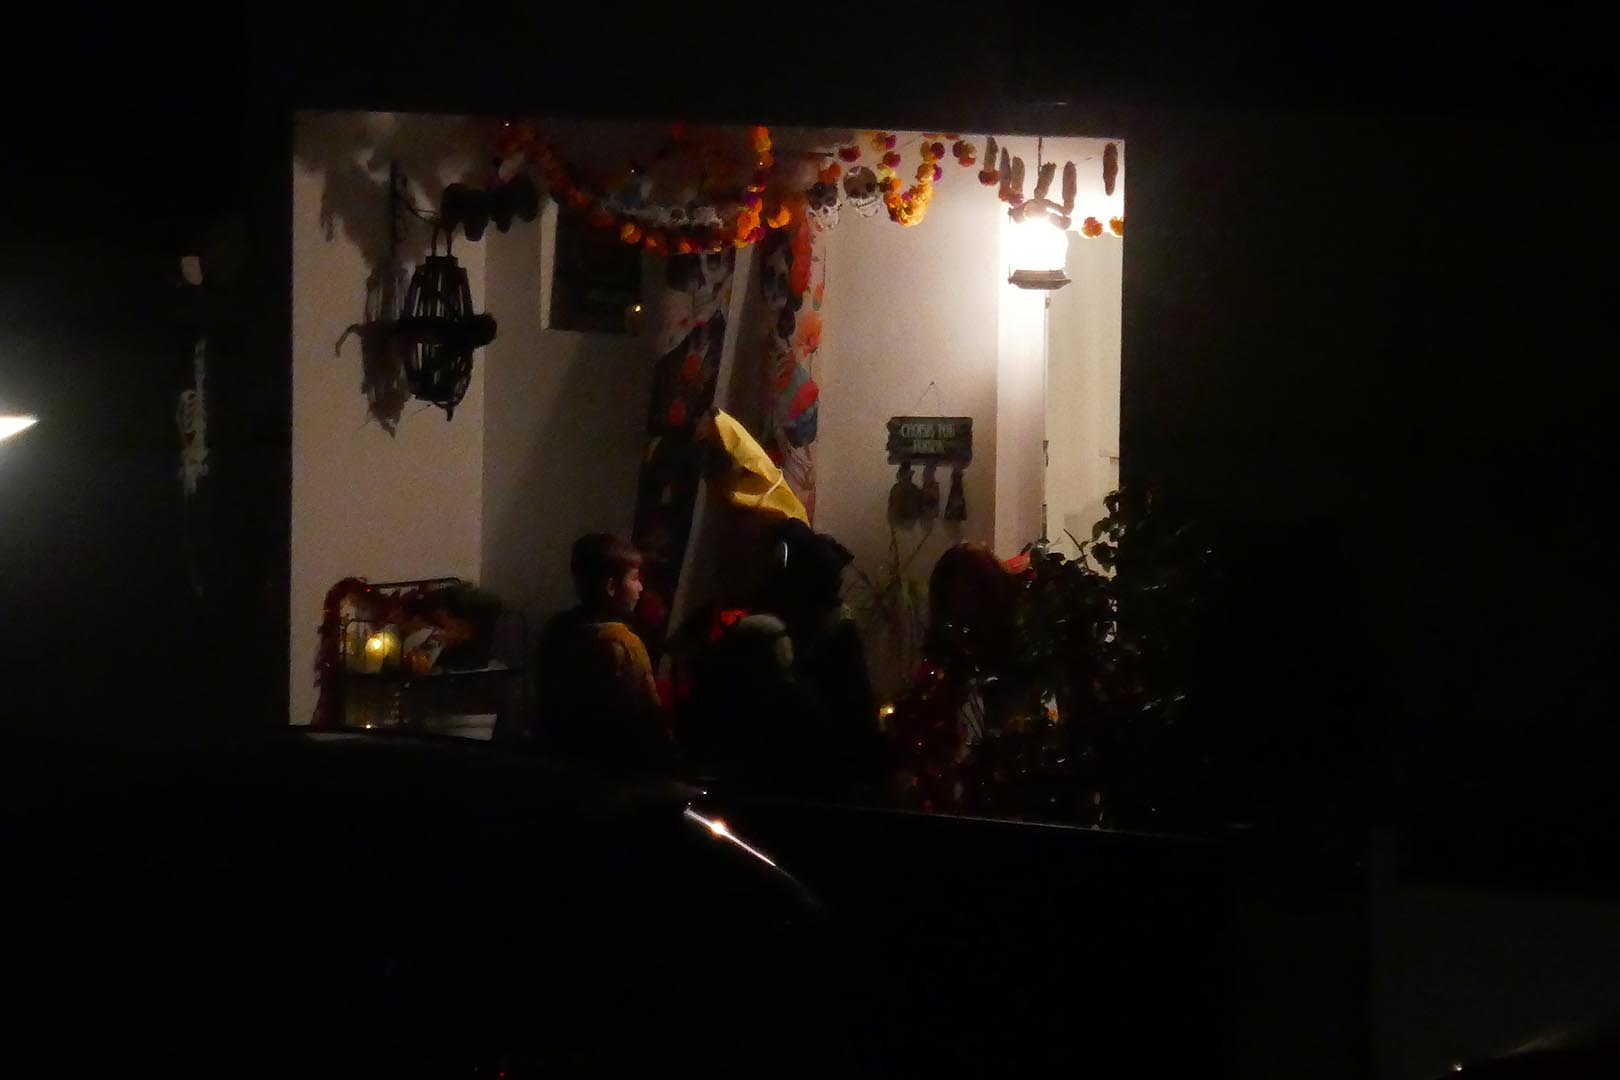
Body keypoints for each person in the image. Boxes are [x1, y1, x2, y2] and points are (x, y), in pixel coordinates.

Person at [534, 534, 669, 770]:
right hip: (612, 767)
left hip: (559, 759)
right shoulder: (622, 643)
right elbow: (648, 717)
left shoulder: (555, 630)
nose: (640, 588)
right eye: (634, 579)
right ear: (611, 587)